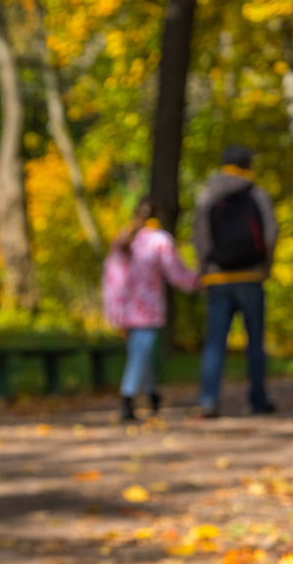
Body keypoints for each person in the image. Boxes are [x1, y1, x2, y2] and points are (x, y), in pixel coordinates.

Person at [192, 145, 279, 417]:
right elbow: (271, 233)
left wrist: (204, 269)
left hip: (218, 276)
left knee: (215, 341)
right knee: (255, 340)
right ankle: (257, 399)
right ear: (248, 164)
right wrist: (266, 266)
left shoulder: (207, 195)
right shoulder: (257, 194)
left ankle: (208, 399)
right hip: (251, 275)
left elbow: (200, 236)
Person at [102, 198, 201, 422]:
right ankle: (127, 399)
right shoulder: (159, 240)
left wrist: (113, 311)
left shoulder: (124, 237)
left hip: (125, 309)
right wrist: (198, 281)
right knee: (140, 353)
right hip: (147, 309)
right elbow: (176, 273)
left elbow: (110, 279)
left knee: (140, 353)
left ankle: (153, 395)